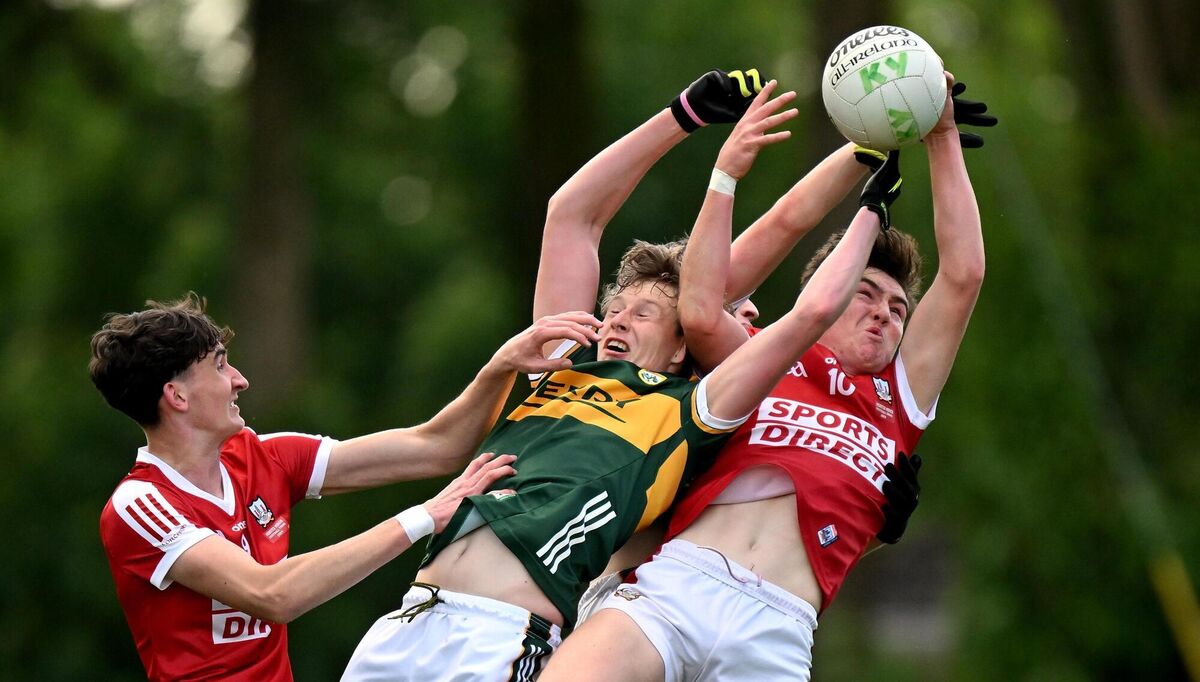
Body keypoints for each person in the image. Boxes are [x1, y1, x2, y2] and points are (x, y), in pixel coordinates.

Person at [340, 72, 901, 680]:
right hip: (409, 622)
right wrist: (683, 114)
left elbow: (773, 240)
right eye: (612, 309)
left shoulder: (686, 412)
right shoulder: (559, 366)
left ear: (683, 340)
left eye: (641, 313)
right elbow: (571, 216)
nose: (615, 320)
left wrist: (868, 145)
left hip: (521, 635)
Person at [540, 75, 995, 682]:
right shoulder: (760, 357)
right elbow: (708, 299)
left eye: (897, 309)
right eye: (865, 293)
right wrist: (865, 141)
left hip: (779, 625)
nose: (884, 312)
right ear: (822, 297)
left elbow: (963, 275)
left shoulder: (901, 397)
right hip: (676, 586)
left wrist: (940, 134)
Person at [93, 292, 600, 681]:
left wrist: (502, 366)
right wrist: (425, 516)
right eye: (221, 365)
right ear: (176, 395)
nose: (239, 380)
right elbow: (273, 594)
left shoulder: (264, 454)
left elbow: (436, 447)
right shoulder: (141, 504)